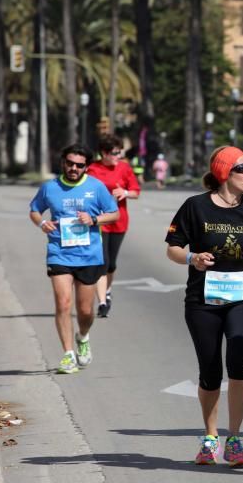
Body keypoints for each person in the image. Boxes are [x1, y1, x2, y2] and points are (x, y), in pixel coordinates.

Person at [165, 146, 243, 466]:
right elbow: (172, 248)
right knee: (210, 370)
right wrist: (192, 258)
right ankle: (211, 437)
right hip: (203, 300)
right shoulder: (195, 207)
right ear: (225, 172)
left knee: (239, 359)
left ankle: (235, 439)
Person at [29, 145, 119, 374]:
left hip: (89, 255)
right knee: (63, 304)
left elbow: (114, 213)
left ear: (86, 167)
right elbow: (34, 209)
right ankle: (68, 354)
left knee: (85, 311)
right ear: (63, 162)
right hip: (59, 252)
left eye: (79, 165)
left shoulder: (95, 187)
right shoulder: (50, 187)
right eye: (70, 163)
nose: (73, 168)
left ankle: (83, 335)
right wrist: (42, 223)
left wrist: (94, 219)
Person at [87, 134, 141, 318]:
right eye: (114, 152)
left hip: (119, 220)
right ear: (103, 153)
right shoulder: (93, 169)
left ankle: (107, 291)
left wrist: (125, 192)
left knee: (111, 264)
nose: (118, 155)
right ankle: (102, 302)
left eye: (119, 152)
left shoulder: (124, 168)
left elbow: (136, 192)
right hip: (99, 222)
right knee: (102, 262)